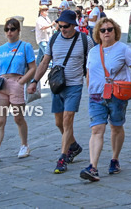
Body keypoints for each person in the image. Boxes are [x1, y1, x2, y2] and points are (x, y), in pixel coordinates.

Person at [80, 17, 131, 181]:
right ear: (98, 33)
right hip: (96, 96)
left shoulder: (123, 49)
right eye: (103, 30)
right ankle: (93, 167)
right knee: (96, 130)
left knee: (116, 127)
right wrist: (90, 88)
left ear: (115, 31)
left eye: (110, 29)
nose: (106, 32)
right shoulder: (93, 52)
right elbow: (89, 72)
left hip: (117, 95)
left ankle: (114, 159)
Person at [28, 9, 88, 174]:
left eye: (66, 26)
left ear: (74, 25)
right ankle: (73, 145)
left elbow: (92, 63)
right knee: (58, 123)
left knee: (68, 120)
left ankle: (63, 157)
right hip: (57, 85)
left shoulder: (84, 40)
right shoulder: (54, 38)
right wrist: (34, 81)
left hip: (74, 85)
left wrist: (94, 85)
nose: (62, 29)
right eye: (60, 26)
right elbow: (45, 61)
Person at [0, 18, 36, 168]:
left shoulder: (25, 47)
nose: (9, 32)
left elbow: (33, 67)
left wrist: (22, 81)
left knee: (18, 118)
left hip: (16, 83)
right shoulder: (1, 49)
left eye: (12, 29)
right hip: (1, 84)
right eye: (7, 29)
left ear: (18, 31)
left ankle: (24, 145)